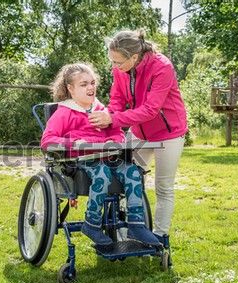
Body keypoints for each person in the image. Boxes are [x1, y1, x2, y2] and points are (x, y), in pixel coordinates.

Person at [41, 62, 159, 246]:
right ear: (70, 89)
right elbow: (47, 140)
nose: (90, 88)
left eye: (92, 83)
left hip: (108, 157)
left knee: (133, 172)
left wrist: (115, 142)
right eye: (84, 84)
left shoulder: (101, 110)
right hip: (79, 161)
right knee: (102, 173)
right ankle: (92, 223)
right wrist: (74, 144)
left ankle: (136, 225)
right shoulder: (64, 112)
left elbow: (116, 132)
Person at [89, 29, 188, 240]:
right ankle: (127, 232)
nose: (114, 67)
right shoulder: (120, 69)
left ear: (134, 56)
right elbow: (116, 99)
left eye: (118, 62)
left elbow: (151, 109)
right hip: (138, 132)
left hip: (169, 133)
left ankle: (159, 236)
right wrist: (108, 116)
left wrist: (114, 120)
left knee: (163, 187)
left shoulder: (162, 67)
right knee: (127, 180)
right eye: (112, 61)